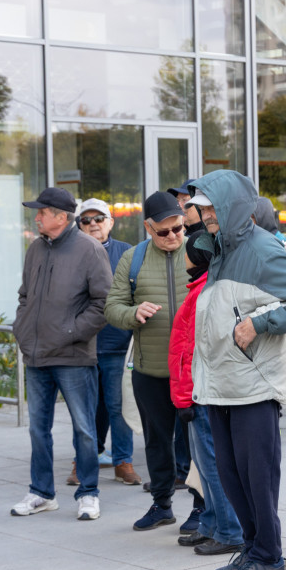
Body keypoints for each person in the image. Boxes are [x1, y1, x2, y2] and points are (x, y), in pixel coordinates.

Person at [187, 170, 286, 570]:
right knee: (230, 475)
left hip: (253, 386)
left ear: (230, 206)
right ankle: (253, 548)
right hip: (221, 384)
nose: (202, 214)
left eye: (209, 207)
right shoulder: (221, 249)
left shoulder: (263, 250)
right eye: (202, 207)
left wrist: (261, 323)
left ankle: (269, 557)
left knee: (256, 476)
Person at [10, 187, 112, 521]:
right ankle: (41, 493)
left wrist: (70, 333)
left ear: (60, 217)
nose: (36, 216)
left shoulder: (89, 249)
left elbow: (103, 302)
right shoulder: (36, 249)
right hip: (37, 355)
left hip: (73, 356)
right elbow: (25, 295)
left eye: (41, 211)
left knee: (84, 429)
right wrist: (23, 330)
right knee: (38, 429)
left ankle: (88, 493)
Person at [104, 191, 196, 532]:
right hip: (151, 369)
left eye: (179, 229)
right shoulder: (133, 258)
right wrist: (133, 313)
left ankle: (201, 508)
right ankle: (162, 505)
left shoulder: (199, 250)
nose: (173, 236)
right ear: (148, 227)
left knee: (197, 443)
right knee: (157, 442)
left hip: (194, 370)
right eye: (164, 231)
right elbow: (112, 307)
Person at [168, 229, 245, 556]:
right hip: (198, 392)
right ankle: (212, 523)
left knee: (212, 465)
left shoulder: (205, 292)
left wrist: (184, 398)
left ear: (197, 256)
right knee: (204, 464)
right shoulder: (202, 288)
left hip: (201, 393)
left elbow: (191, 352)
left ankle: (229, 531)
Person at [61, 198, 140, 487]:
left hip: (118, 345)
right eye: (86, 219)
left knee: (119, 408)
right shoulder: (68, 252)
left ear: (110, 222)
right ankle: (82, 463)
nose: (93, 224)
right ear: (78, 224)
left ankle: (123, 462)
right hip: (82, 347)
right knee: (84, 409)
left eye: (99, 218)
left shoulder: (128, 253)